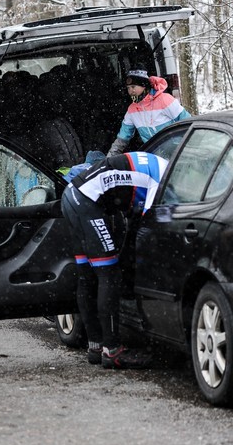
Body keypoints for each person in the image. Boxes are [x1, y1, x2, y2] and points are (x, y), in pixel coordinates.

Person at [61, 151, 168, 369]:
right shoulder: (163, 180)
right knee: (109, 274)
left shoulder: (159, 164)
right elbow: (148, 225)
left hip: (71, 196)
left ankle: (96, 346)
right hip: (86, 203)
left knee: (87, 276)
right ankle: (112, 350)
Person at [107, 67, 190, 156]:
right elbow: (123, 136)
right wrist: (109, 158)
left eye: (133, 87)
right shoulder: (132, 110)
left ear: (144, 86)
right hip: (154, 154)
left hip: (177, 151)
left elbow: (187, 121)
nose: (131, 91)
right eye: (128, 88)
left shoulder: (164, 99)